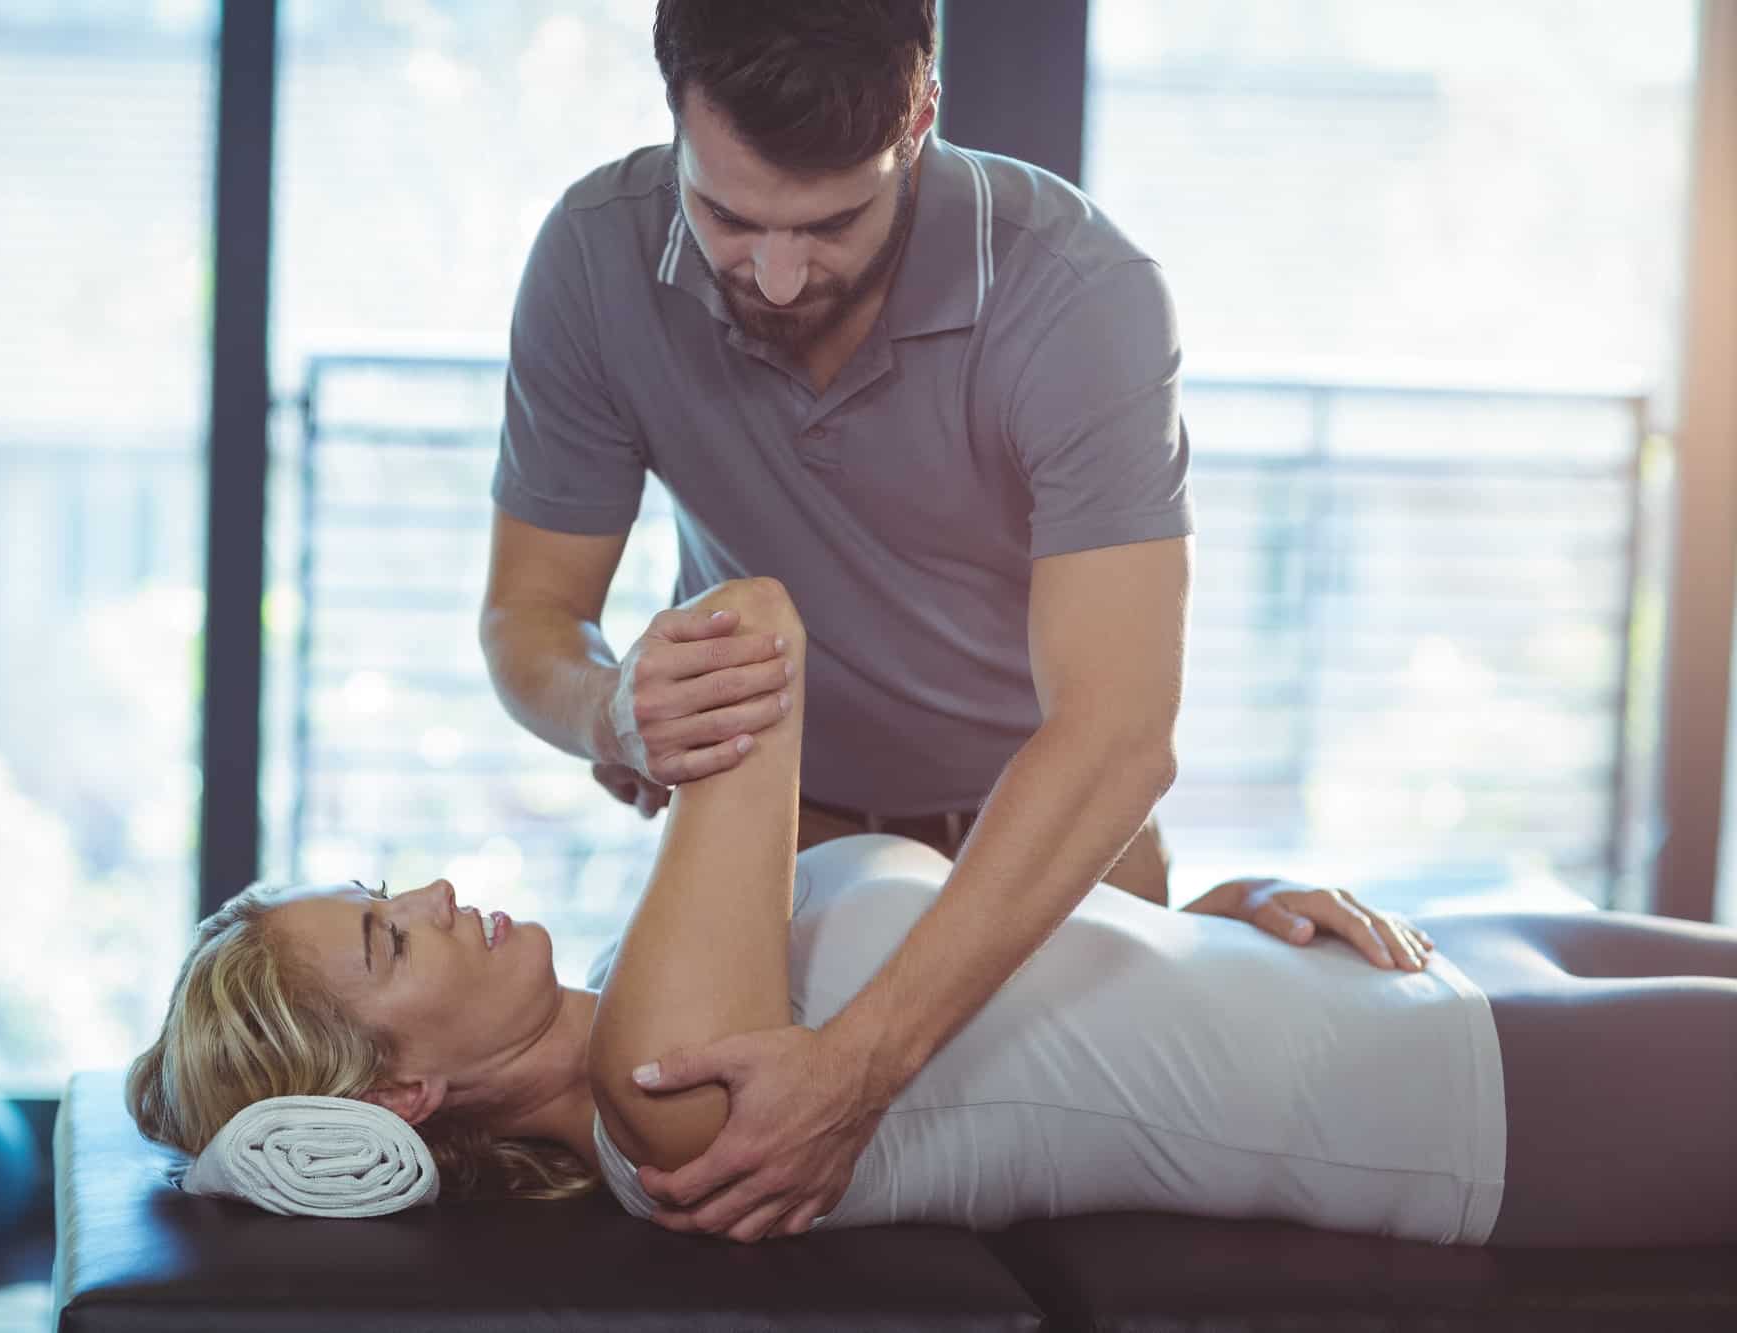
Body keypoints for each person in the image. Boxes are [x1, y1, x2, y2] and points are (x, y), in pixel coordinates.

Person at [130, 578, 1737, 1249]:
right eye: (387, 939)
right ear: (402, 1098)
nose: (427, 891)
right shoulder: (663, 1100)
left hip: (1413, 955)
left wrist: (1227, 908)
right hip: (1448, 1106)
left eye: (378, 889)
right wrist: (620, 712)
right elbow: (751, 617)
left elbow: (1047, 963)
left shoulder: (650, 975)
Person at [481, 0, 1193, 1240]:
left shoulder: (1079, 291)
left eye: (829, 223)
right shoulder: (594, 258)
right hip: (784, 828)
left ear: (917, 114)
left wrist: (863, 1063)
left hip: (1037, 844)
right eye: (725, 216)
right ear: (672, 114)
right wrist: (611, 710)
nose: (775, 273)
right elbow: (528, 618)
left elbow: (1118, 735)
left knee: (1087, 1252)